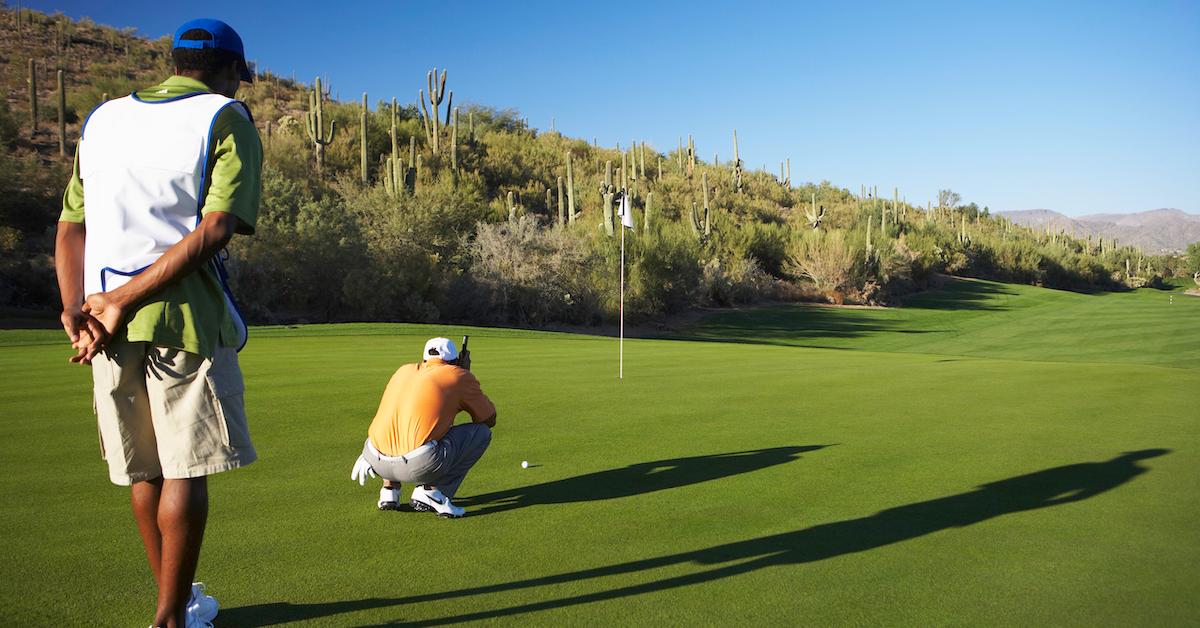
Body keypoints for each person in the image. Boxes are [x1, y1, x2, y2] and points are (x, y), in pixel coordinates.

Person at [54, 18, 262, 628]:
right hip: (183, 320)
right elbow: (218, 227)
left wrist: (78, 305)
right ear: (230, 72)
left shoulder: (103, 118)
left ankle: (178, 600)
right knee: (185, 467)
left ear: (173, 63)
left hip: (102, 325)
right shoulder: (225, 116)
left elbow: (71, 226)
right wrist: (126, 299)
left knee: (143, 468)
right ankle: (172, 616)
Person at [351, 337, 497, 518]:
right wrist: (463, 374)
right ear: (455, 360)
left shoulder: (403, 370)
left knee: (400, 423)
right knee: (481, 433)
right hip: (418, 464)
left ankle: (389, 491)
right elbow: (488, 418)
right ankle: (434, 492)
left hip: (373, 455)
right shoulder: (458, 376)